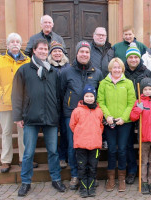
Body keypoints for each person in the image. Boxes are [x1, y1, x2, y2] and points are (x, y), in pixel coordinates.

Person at [12, 39, 66, 196]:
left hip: (50, 118)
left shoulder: (53, 72)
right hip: (30, 117)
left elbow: (58, 96)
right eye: (40, 49)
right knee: (28, 152)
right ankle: (26, 182)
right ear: (34, 51)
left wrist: (57, 114)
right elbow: (16, 95)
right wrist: (18, 116)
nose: (43, 51)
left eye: (45, 49)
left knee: (53, 151)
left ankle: (56, 179)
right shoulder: (24, 70)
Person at [61, 40, 103, 190]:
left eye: (87, 52)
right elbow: (61, 92)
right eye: (81, 51)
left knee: (91, 148)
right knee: (75, 147)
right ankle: (75, 175)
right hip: (72, 115)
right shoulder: (67, 71)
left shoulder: (97, 72)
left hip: (91, 116)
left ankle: (90, 177)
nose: (84, 54)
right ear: (77, 53)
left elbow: (100, 93)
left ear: (90, 54)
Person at [0, 33, 34, 173]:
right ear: (7, 45)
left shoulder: (27, 61)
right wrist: (1, 94)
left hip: (22, 104)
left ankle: (23, 159)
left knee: (23, 132)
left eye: (17, 42)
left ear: (20, 45)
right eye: (12, 42)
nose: (15, 44)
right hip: (6, 103)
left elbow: (32, 81)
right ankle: (6, 160)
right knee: (7, 132)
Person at [97, 57, 136, 192]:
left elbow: (132, 102)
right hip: (109, 122)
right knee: (112, 149)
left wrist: (123, 118)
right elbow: (100, 101)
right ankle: (111, 178)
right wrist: (107, 116)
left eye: (119, 67)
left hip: (124, 123)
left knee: (122, 149)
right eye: (114, 67)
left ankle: (121, 178)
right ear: (110, 69)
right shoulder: (104, 83)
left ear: (122, 69)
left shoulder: (128, 83)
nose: (117, 69)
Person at [124, 44, 151, 185]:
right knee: (129, 143)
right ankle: (132, 170)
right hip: (128, 111)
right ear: (127, 59)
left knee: (144, 142)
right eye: (131, 57)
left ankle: (145, 170)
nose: (133, 59)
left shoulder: (146, 72)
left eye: (136, 57)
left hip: (144, 112)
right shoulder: (122, 71)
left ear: (139, 58)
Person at [130, 78, 151, 195]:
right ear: (142, 90)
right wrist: (138, 109)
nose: (148, 91)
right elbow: (133, 117)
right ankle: (143, 181)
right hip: (144, 138)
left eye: (150, 89)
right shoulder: (139, 102)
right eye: (145, 89)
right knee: (144, 162)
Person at [69, 85, 104, 198]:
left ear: (95, 97)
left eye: (91, 96)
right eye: (87, 96)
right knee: (82, 167)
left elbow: (101, 126)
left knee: (93, 167)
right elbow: (72, 125)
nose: (89, 98)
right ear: (83, 97)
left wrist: (96, 134)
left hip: (95, 144)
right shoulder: (77, 111)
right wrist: (80, 134)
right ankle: (84, 187)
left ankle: (91, 187)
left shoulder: (99, 111)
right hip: (81, 145)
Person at [48, 41, 70, 169]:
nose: (57, 53)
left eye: (59, 51)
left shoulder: (68, 67)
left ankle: (63, 156)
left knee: (65, 133)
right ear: (51, 54)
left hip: (65, 105)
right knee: (52, 134)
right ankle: (54, 157)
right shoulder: (47, 67)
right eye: (55, 51)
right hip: (51, 106)